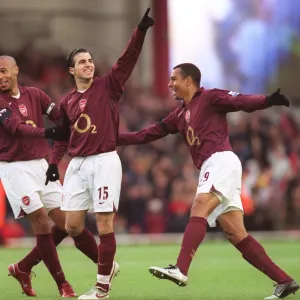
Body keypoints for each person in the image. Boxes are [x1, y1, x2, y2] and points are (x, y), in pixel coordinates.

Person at [118, 63, 299, 300]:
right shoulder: (179, 114)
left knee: (199, 206)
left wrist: (267, 100)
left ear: (189, 81)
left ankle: (181, 269)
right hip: (212, 166)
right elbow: (146, 134)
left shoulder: (211, 97)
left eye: (174, 79)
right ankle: (284, 281)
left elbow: (240, 101)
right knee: (236, 234)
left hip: (220, 161)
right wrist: (112, 139)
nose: (170, 84)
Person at [45, 8, 154, 300]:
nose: (89, 65)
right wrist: (54, 164)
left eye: (91, 61)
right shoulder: (66, 102)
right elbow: (62, 138)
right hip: (77, 165)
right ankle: (108, 265)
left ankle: (102, 288)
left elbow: (127, 60)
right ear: (71, 70)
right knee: (72, 225)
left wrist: (140, 31)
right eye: (82, 62)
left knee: (105, 224)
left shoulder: (108, 86)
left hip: (104, 161)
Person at [0, 55, 100, 298]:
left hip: (41, 165)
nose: (0, 77)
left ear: (15, 70)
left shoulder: (35, 94)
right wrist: (48, 131)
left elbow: (59, 114)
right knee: (43, 223)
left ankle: (24, 268)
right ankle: (63, 285)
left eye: (3, 71)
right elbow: (15, 127)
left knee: (68, 223)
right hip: (14, 168)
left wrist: (78, 117)